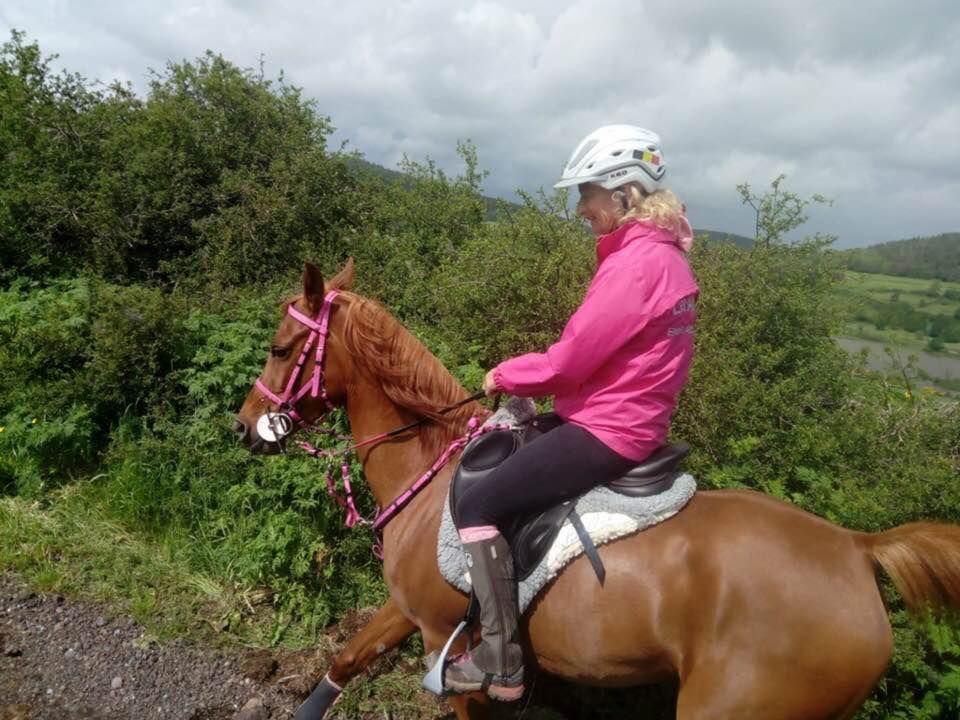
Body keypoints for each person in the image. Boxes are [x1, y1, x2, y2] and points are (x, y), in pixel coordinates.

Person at [444, 125, 699, 701]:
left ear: (624, 194)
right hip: (628, 418)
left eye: (587, 193)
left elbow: (570, 360)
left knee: (480, 500)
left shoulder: (636, 267)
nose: (581, 207)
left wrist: (504, 374)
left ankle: (500, 662)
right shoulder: (665, 258)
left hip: (606, 428)